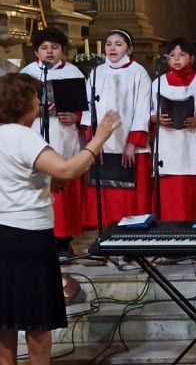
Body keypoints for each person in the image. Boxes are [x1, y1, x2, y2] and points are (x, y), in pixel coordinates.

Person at [0, 73, 120, 365]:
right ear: (22, 102)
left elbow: (18, 173)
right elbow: (67, 169)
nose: (39, 103)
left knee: (6, 314)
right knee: (37, 315)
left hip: (3, 232)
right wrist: (99, 138)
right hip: (28, 234)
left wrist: (45, 180)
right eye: (35, 97)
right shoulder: (22, 135)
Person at [20, 27, 85, 255]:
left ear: (62, 51)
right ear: (36, 52)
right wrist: (34, 111)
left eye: (55, 48)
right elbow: (16, 106)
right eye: (44, 48)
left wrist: (76, 117)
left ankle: (64, 239)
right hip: (35, 131)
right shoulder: (27, 73)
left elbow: (86, 107)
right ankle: (41, 236)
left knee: (63, 187)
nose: (49, 52)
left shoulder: (74, 73)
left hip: (64, 134)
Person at [81, 29, 152, 226]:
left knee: (129, 200)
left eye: (118, 44)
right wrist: (94, 141)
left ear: (129, 49)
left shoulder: (139, 73)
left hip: (129, 144)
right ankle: (105, 234)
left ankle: (130, 236)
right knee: (104, 197)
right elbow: (88, 107)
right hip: (102, 144)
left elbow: (142, 110)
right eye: (109, 44)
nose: (112, 48)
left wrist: (132, 143)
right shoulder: (97, 72)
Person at [151, 38, 196, 221]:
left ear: (192, 58)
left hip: (191, 143)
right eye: (172, 55)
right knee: (170, 198)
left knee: (190, 197)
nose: (176, 59)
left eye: (182, 55)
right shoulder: (159, 82)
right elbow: (150, 110)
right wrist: (155, 118)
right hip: (167, 145)